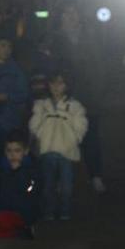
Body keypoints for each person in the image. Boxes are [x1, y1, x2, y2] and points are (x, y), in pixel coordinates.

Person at [52, 4, 106, 193]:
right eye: (66, 12)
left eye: (73, 12)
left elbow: (99, 65)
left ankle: (96, 175)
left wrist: (98, 90)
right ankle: (61, 179)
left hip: (88, 97)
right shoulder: (54, 39)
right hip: (64, 97)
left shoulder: (90, 37)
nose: (70, 17)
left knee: (91, 139)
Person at [29, 72, 88, 221]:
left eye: (60, 83)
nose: (56, 87)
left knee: (66, 186)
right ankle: (49, 212)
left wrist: (74, 138)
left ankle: (65, 213)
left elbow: (81, 126)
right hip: (47, 150)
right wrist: (39, 134)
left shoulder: (75, 106)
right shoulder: (42, 105)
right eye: (53, 83)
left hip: (66, 152)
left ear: (67, 85)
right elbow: (34, 124)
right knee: (48, 185)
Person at [0, 131, 41, 239]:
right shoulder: (2, 169)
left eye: (17, 151)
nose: (12, 155)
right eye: (9, 151)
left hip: (22, 212)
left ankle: (22, 231)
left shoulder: (30, 170)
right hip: (3, 208)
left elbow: (30, 191)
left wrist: (18, 173)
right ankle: (17, 233)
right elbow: (0, 192)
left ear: (25, 151)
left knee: (4, 221)